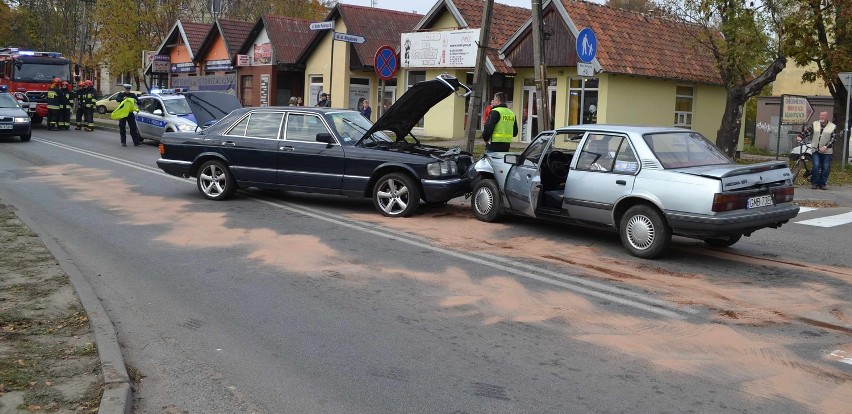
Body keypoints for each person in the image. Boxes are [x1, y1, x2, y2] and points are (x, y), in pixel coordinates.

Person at [797, 111, 837, 190]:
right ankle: (814, 183)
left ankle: (822, 183)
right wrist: (800, 136)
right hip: (815, 149)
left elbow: (833, 139)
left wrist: (825, 147)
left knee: (826, 168)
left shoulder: (832, 126)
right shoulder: (815, 124)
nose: (821, 117)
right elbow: (807, 131)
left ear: (827, 117)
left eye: (823, 116)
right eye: (821, 115)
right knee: (816, 166)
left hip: (827, 151)